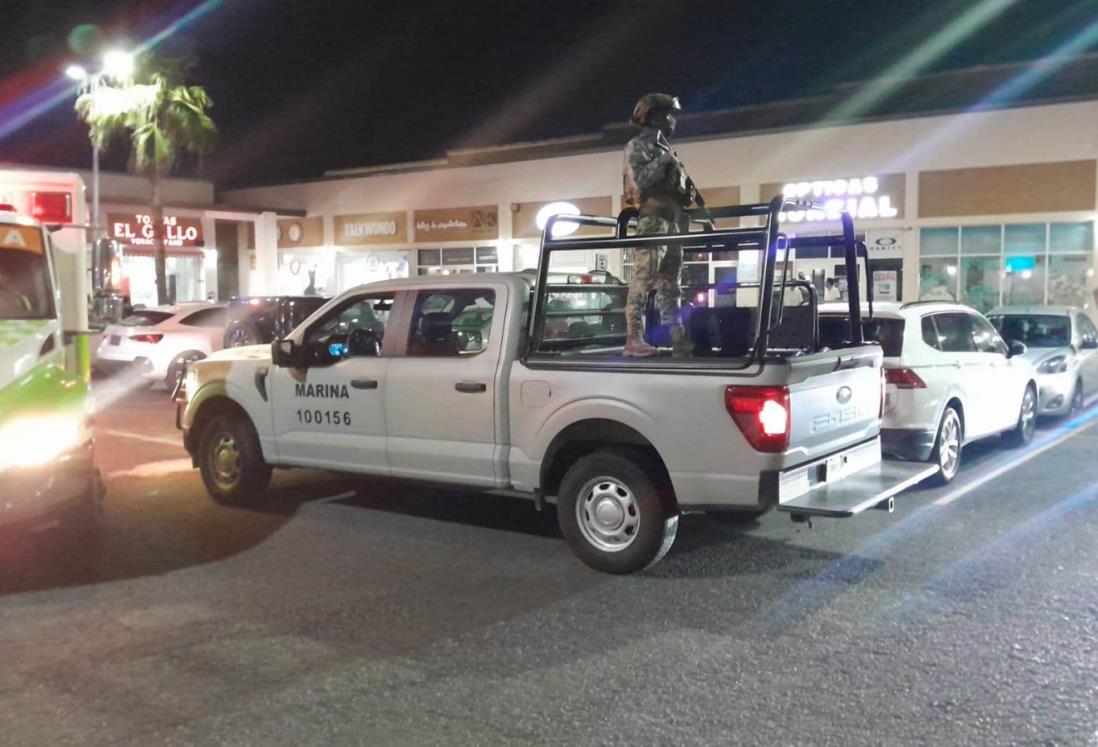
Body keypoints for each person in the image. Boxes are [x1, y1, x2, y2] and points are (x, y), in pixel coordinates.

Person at [622, 93, 696, 357]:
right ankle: (633, 338)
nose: (671, 120)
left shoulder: (665, 150)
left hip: (673, 221)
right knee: (645, 278)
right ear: (651, 117)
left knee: (671, 283)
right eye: (666, 114)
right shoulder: (637, 146)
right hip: (653, 219)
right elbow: (640, 182)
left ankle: (677, 338)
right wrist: (664, 162)